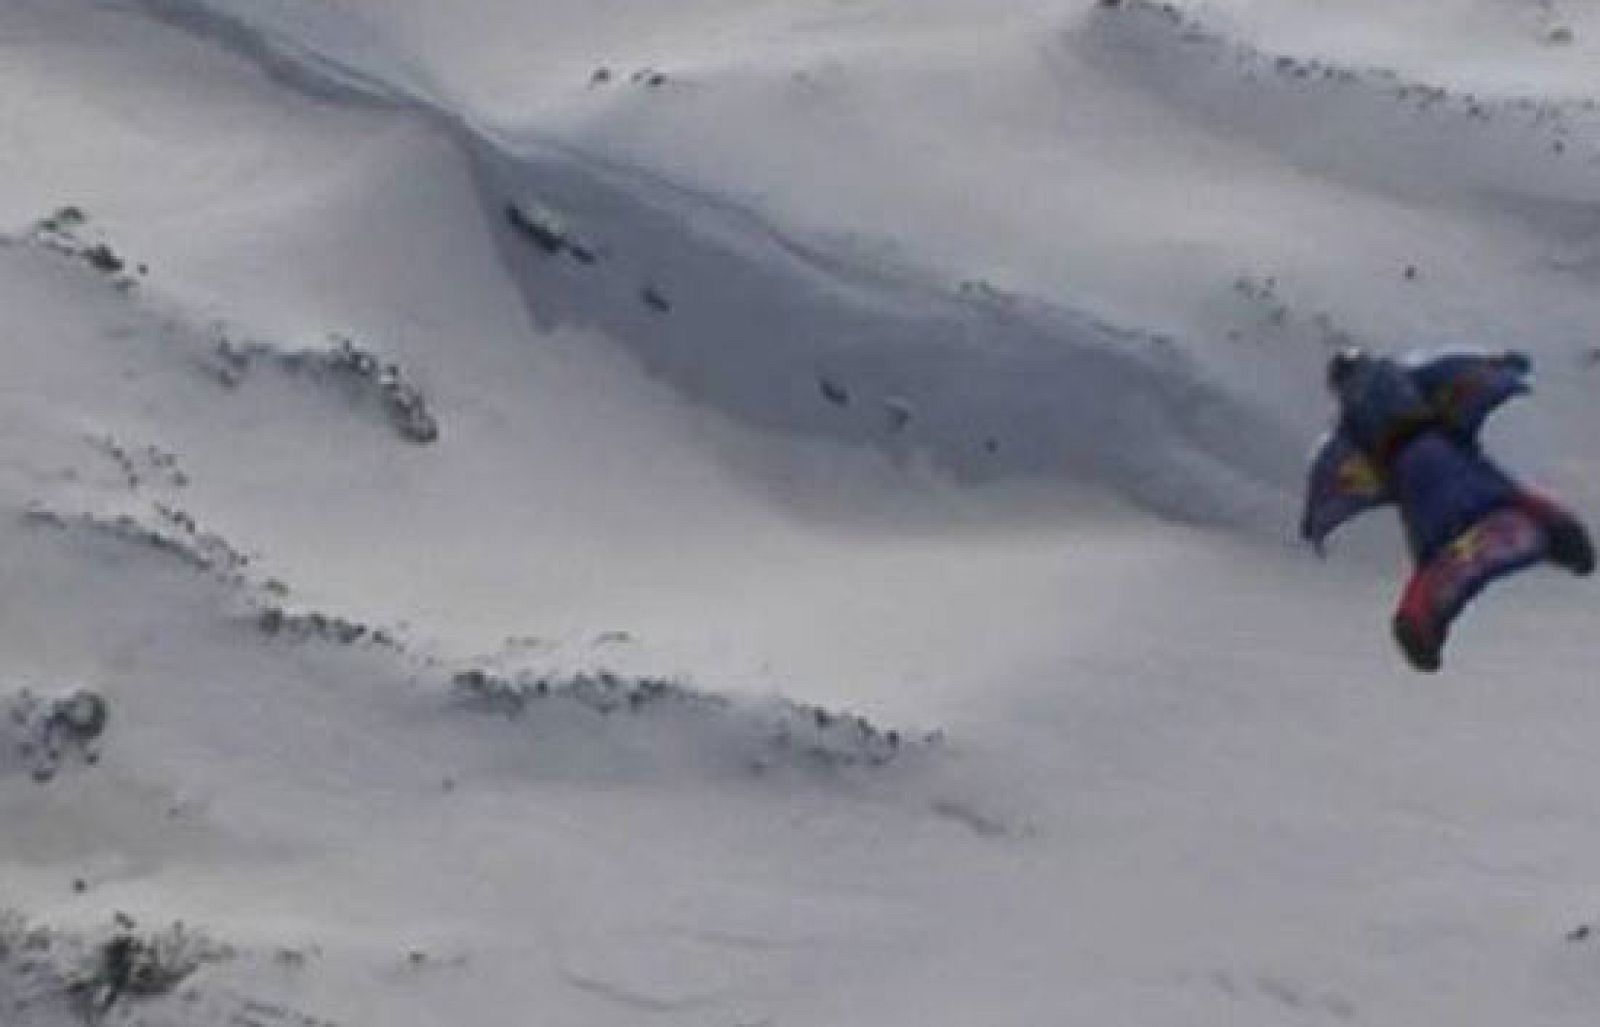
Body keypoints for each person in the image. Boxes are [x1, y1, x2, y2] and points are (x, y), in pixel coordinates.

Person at [1300, 347, 1592, 671]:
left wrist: (1316, 519)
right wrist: (1503, 367)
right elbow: (1459, 375)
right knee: (1507, 498)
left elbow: (1334, 474)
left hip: (1411, 476)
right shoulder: (1410, 376)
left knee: (1435, 552)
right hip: (1445, 447)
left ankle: (1416, 621)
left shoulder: (1348, 426)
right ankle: (1565, 538)